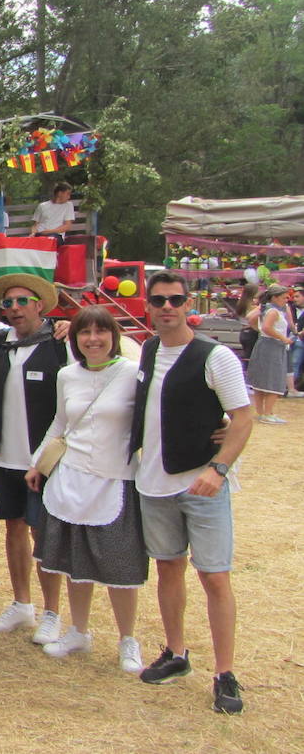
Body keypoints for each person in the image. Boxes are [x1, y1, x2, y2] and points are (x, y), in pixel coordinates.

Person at [132, 270, 253, 714]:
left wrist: (219, 470)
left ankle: (224, 672)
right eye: (159, 300)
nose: (167, 307)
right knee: (168, 569)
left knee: (215, 576)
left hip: (201, 482)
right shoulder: (147, 349)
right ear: (148, 305)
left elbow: (243, 417)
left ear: (189, 305)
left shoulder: (214, 356)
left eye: (175, 300)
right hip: (155, 482)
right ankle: (177, 652)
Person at [22, 307, 148, 672]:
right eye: (84, 332)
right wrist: (38, 463)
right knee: (74, 561)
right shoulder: (66, 376)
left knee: (119, 563)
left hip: (115, 478)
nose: (92, 339)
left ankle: (128, 639)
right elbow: (60, 424)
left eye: (100, 331)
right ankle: (78, 630)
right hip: (71, 477)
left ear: (114, 336)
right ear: (75, 339)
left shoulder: (131, 372)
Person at [0, 273, 68, 645]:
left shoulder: (61, 344)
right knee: (14, 530)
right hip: (5, 457)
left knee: (43, 533)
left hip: (44, 459)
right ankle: (22, 603)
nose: (14, 309)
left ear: (39, 305)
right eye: (7, 303)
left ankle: (52, 612)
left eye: (21, 302)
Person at [246, 286, 291, 424]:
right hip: (272, 346)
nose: (286, 300)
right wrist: (283, 338)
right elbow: (266, 327)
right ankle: (267, 413)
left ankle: (262, 412)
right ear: (275, 297)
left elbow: (252, 319)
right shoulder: (273, 311)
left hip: (264, 344)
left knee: (262, 379)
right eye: (284, 297)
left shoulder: (266, 309)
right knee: (274, 378)